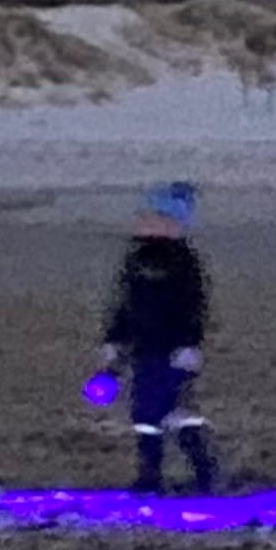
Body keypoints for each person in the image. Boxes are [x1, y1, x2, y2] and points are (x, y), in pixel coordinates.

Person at [99, 180, 218, 495]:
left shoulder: (184, 263)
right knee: (145, 412)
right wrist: (114, 340)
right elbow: (124, 304)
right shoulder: (136, 260)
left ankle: (201, 470)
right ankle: (153, 472)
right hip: (143, 349)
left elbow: (194, 306)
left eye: (152, 216)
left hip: (172, 350)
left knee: (172, 409)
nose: (143, 220)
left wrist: (189, 344)